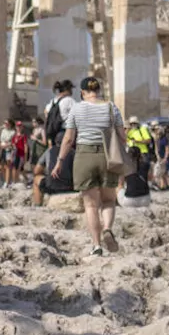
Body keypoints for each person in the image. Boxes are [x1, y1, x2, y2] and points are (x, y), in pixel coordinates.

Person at [52, 76, 124, 256]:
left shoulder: (77, 108)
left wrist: (59, 161)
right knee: (108, 200)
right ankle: (107, 228)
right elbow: (122, 136)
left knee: (91, 205)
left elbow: (68, 139)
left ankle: (96, 245)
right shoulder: (110, 107)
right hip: (107, 156)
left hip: (84, 155)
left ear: (83, 92)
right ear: (99, 90)